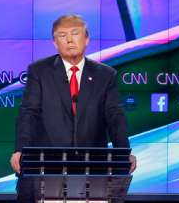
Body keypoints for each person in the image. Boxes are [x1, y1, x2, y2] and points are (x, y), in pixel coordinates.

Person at [11, 14, 135, 174]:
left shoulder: (105, 75)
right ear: (55, 43)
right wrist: (20, 149)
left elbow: (115, 117)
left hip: (93, 166)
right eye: (63, 35)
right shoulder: (39, 71)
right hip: (49, 165)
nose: (69, 40)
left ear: (87, 39)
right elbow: (28, 113)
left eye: (75, 33)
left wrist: (123, 153)